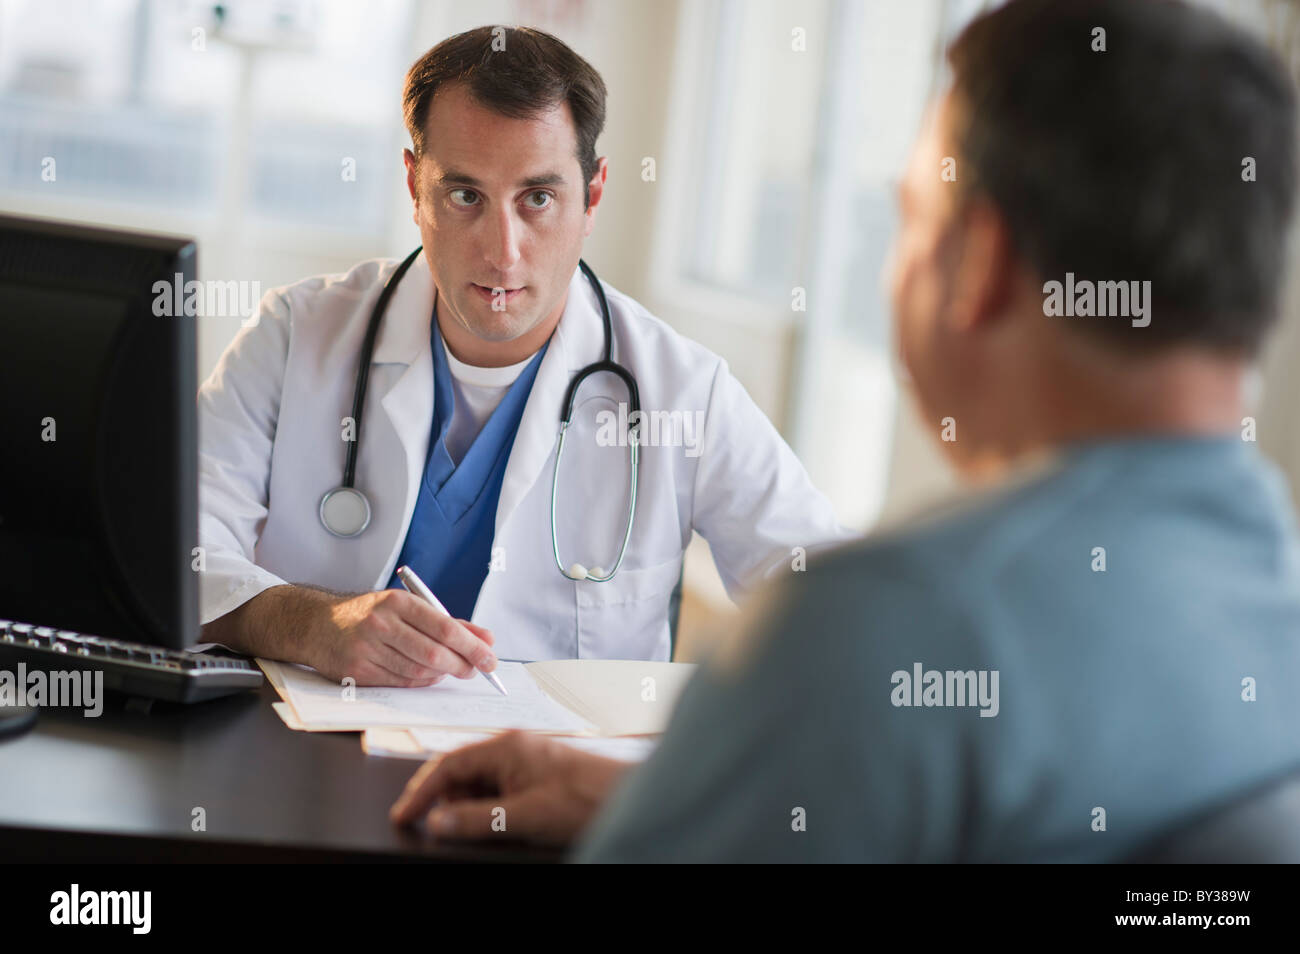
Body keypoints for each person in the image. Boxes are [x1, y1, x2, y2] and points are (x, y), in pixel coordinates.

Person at [391, 0, 1300, 862]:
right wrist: (673, 798)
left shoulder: (883, 631)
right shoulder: (1267, 607)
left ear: (977, 262)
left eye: (907, 217)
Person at [197, 27, 848, 687]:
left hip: (559, 779)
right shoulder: (291, 336)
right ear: (414, 185)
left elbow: (838, 611)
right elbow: (176, 553)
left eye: (537, 198)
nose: (501, 251)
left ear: (592, 196)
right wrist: (311, 624)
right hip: (302, 759)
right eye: (465, 195)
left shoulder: (682, 393)